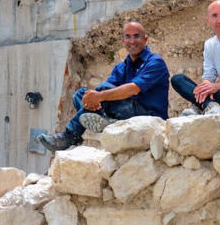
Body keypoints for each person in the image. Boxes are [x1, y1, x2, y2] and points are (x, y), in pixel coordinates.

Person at [38, 21, 169, 151]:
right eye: (128, 37)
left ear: (145, 39)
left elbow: (133, 89)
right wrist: (95, 98)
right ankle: (107, 121)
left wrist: (98, 96)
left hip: (149, 115)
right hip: (126, 110)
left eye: (136, 36)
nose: (132, 41)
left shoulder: (155, 62)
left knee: (101, 92)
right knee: (81, 94)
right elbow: (107, 90)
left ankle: (70, 135)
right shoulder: (122, 66)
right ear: (123, 40)